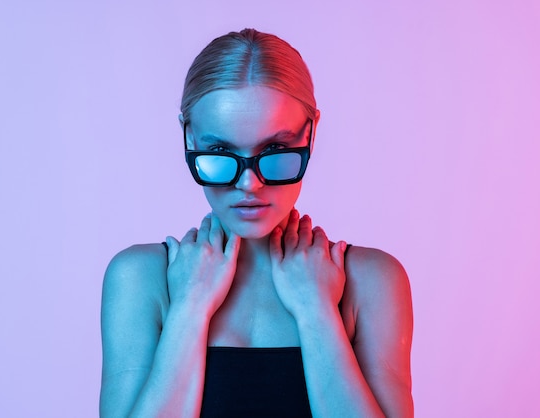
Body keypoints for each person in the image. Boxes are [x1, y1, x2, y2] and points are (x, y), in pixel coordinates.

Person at [99, 28, 413, 417]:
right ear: (188, 137)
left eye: (276, 150)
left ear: (311, 134)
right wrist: (190, 307)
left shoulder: (372, 280)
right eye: (219, 152)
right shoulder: (139, 278)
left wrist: (315, 310)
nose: (250, 183)